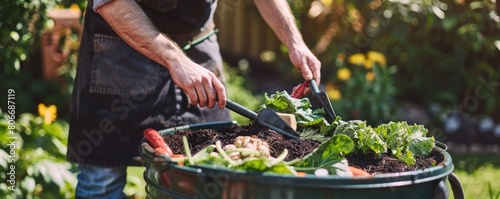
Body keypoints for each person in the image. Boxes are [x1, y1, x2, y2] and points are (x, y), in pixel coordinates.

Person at [66, 0, 321, 198]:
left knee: (215, 167)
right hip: (122, 46)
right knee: (102, 181)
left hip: (197, 41)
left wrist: (294, 42)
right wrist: (175, 61)